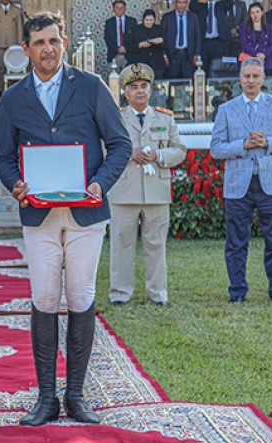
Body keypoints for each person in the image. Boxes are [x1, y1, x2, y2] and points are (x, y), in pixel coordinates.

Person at [0, 11, 131, 425]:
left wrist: (99, 183)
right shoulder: (13, 99)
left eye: (53, 41)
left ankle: (76, 395)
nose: (47, 49)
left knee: (81, 295)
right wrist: (16, 184)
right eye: (39, 43)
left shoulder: (90, 87)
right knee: (44, 299)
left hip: (85, 214)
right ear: (26, 50)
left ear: (64, 42)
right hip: (39, 216)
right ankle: (46, 398)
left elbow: (120, 144)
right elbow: (3, 159)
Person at [210, 57, 272, 305]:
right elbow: (216, 148)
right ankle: (237, 291)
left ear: (263, 79)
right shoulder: (226, 110)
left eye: (255, 76)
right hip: (239, 185)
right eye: (246, 76)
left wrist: (268, 142)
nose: (250, 81)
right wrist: (243, 145)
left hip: (271, 183)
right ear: (240, 78)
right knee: (236, 243)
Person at [109, 63, 186, 306]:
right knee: (121, 245)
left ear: (151, 90)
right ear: (126, 93)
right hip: (125, 191)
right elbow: (106, 149)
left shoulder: (164, 117)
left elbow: (179, 150)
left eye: (144, 86)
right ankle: (120, 293)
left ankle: (158, 294)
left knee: (156, 246)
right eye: (134, 87)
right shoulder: (116, 119)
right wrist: (128, 152)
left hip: (156, 191)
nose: (140, 91)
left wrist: (158, 155)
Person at [189, 0, 234, 76]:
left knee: (218, 69)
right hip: (203, 42)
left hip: (219, 41)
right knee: (202, 69)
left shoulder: (221, 4)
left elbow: (230, 3)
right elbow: (192, 7)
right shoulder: (201, 4)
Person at [0, 0, 24, 96]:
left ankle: (14, 89)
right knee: (1, 68)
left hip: (13, 45)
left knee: (14, 68)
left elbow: (19, 28)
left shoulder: (16, 10)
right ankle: (1, 89)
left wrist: (19, 43)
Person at [162, 0, 202, 78]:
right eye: (179, 2)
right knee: (172, 81)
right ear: (175, 3)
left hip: (188, 55)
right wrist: (164, 55)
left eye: (184, 3)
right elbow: (162, 37)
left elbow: (197, 37)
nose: (182, 5)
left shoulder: (193, 17)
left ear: (187, 3)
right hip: (172, 55)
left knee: (188, 81)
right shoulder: (167, 17)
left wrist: (197, 54)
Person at [126, 9, 167, 78]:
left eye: (151, 20)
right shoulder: (136, 30)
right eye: (147, 20)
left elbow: (166, 45)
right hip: (141, 64)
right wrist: (140, 45)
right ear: (143, 20)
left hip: (157, 64)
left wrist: (160, 40)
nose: (149, 22)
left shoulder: (159, 29)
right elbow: (129, 46)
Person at [241, 3, 272, 70]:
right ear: (250, 15)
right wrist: (256, 54)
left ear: (262, 12)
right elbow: (244, 44)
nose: (255, 15)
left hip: (265, 61)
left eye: (257, 12)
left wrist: (264, 55)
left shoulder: (268, 27)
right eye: (252, 13)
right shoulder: (244, 27)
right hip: (249, 61)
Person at [105, 0, 138, 71]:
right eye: (117, 8)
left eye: (121, 8)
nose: (119, 10)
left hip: (129, 56)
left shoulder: (132, 21)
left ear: (125, 9)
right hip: (114, 55)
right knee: (113, 80)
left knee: (129, 80)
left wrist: (126, 48)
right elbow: (107, 39)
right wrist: (117, 49)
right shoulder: (109, 22)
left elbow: (135, 39)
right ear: (113, 9)